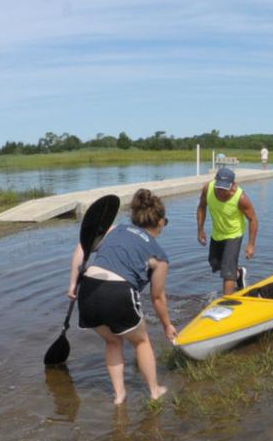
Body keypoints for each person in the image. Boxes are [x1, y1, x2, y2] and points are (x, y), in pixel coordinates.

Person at [73, 189, 177, 405]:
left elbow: (82, 246)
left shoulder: (114, 229)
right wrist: (167, 325)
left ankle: (119, 396)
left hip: (88, 290)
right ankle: (154, 391)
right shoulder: (159, 255)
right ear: (160, 222)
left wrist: (73, 283)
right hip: (117, 291)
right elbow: (157, 298)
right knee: (141, 341)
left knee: (113, 341)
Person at [196, 165, 258, 295]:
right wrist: (200, 229)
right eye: (218, 187)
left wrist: (251, 244)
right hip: (217, 233)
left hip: (234, 234)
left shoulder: (241, 199)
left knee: (227, 273)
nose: (220, 191)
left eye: (224, 188)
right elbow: (201, 207)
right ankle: (238, 273)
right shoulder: (208, 189)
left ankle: (226, 303)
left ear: (233, 185)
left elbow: (253, 219)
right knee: (214, 263)